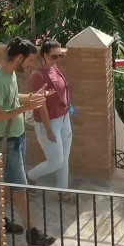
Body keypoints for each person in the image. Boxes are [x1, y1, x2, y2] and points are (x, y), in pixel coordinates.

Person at [0, 39, 53, 246]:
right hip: (9, 142)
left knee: (8, 183)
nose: (30, 65)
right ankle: (33, 232)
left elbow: (14, 99)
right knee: (20, 188)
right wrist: (27, 107)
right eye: (29, 60)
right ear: (20, 57)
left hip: (19, 137)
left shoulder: (11, 74)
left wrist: (33, 97)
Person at [27, 38, 73, 189]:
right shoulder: (38, 75)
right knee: (56, 162)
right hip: (49, 123)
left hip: (64, 119)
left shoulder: (56, 69)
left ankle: (63, 191)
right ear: (45, 55)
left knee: (64, 159)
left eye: (60, 55)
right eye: (54, 56)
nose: (57, 59)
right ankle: (30, 176)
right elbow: (41, 105)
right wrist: (48, 130)